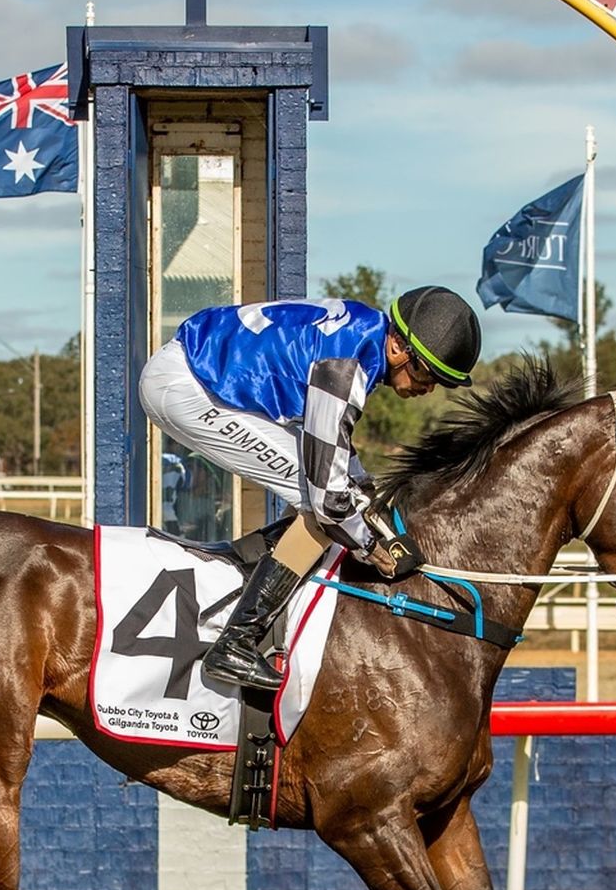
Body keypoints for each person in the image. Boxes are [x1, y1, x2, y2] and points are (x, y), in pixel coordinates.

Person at [138, 285, 482, 691]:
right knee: (320, 504)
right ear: (397, 347)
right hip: (189, 387)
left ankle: (261, 577)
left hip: (197, 371)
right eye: (427, 373)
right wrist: (372, 548)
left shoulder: (362, 335)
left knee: (333, 497)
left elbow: (333, 447)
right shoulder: (346, 366)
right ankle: (236, 642)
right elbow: (330, 499)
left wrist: (368, 497)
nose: (429, 389)